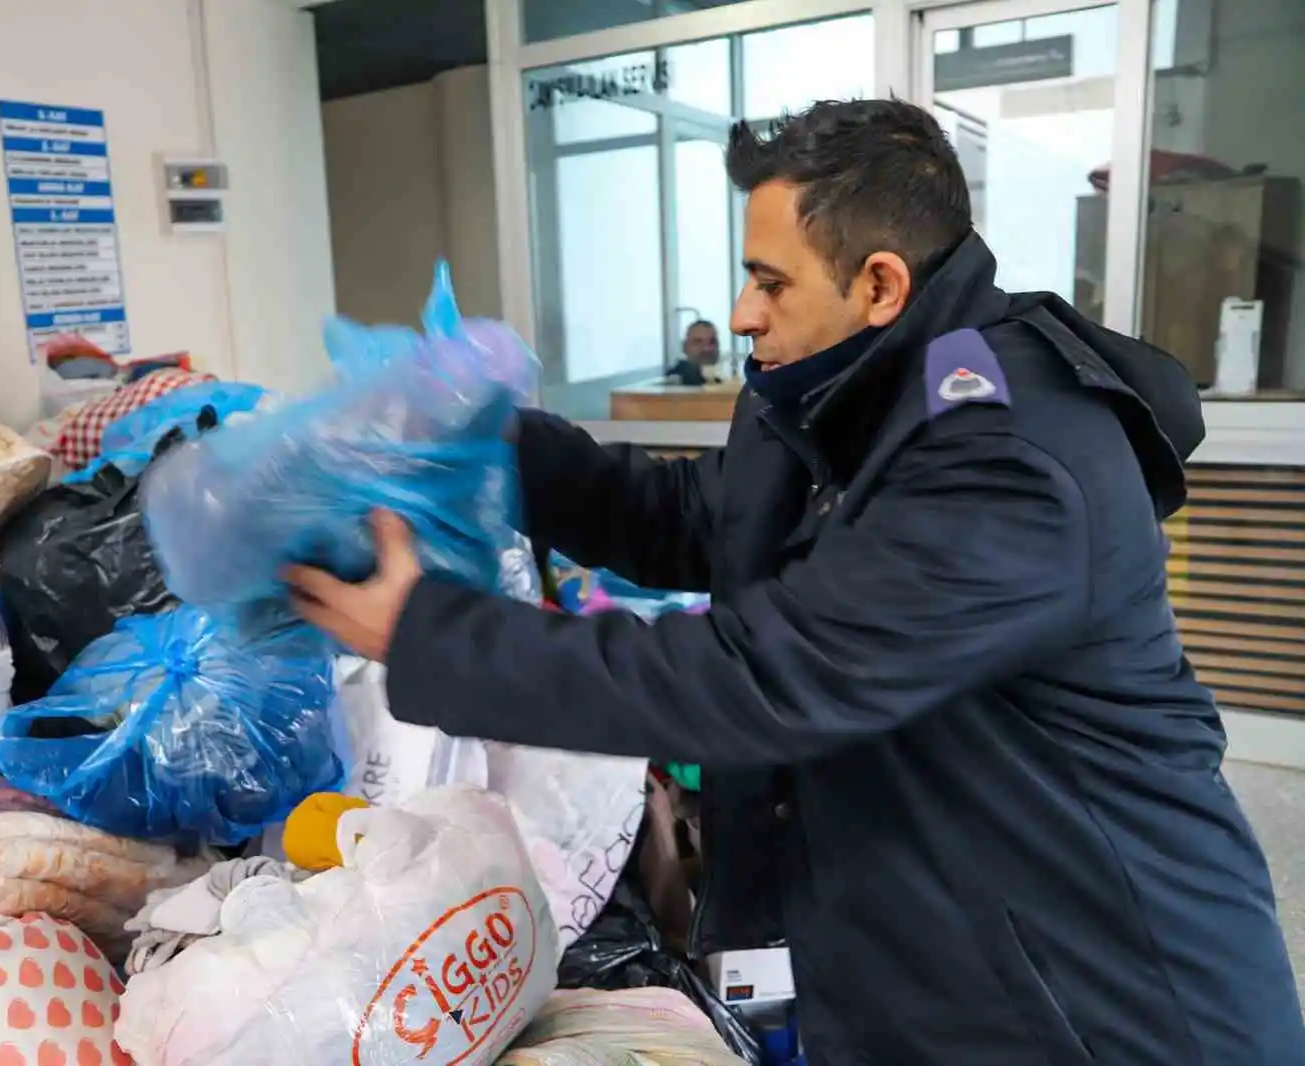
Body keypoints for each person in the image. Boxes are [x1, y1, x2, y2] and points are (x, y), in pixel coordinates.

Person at [286, 100, 1305, 1065]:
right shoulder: (842, 404)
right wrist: (489, 444)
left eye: (768, 281)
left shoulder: (1010, 457)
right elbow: (688, 521)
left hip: (1099, 1000)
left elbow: (764, 679)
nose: (739, 313)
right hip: (934, 963)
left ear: (878, 284)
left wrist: (432, 637)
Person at [666, 320, 720, 386]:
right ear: (685, 347)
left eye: (712, 342)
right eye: (698, 342)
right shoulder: (674, 383)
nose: (706, 348)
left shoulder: (724, 378)